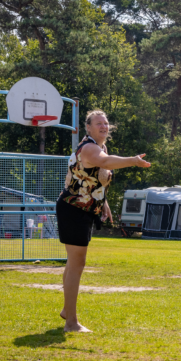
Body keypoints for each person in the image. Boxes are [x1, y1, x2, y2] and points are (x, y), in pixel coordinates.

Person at [56, 110, 151, 333]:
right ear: (88, 128)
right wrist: (133, 161)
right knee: (77, 263)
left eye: (106, 123)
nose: (104, 126)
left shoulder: (101, 147)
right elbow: (104, 162)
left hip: (85, 209)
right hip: (73, 209)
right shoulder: (90, 148)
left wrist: (103, 201)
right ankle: (71, 323)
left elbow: (92, 179)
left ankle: (66, 310)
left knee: (74, 263)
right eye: (98, 123)